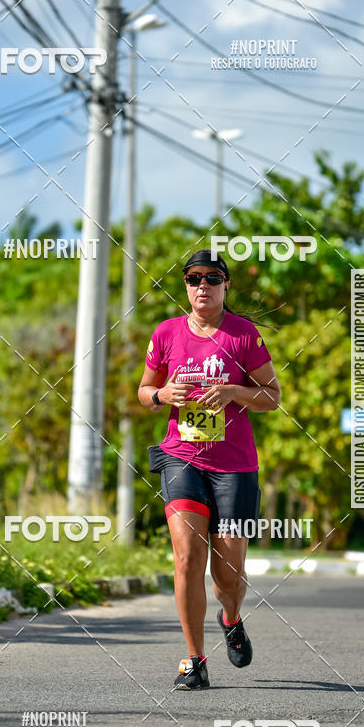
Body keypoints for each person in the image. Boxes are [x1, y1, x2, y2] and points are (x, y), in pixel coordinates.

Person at [138, 249, 281, 690]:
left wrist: (235, 391)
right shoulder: (166, 333)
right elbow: (144, 391)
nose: (203, 285)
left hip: (234, 467)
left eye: (212, 278)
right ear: (185, 285)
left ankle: (232, 617)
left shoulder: (244, 335)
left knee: (229, 574)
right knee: (186, 558)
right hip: (181, 457)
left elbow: (272, 396)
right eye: (194, 278)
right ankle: (194, 660)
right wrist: (163, 395)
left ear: (225, 286)